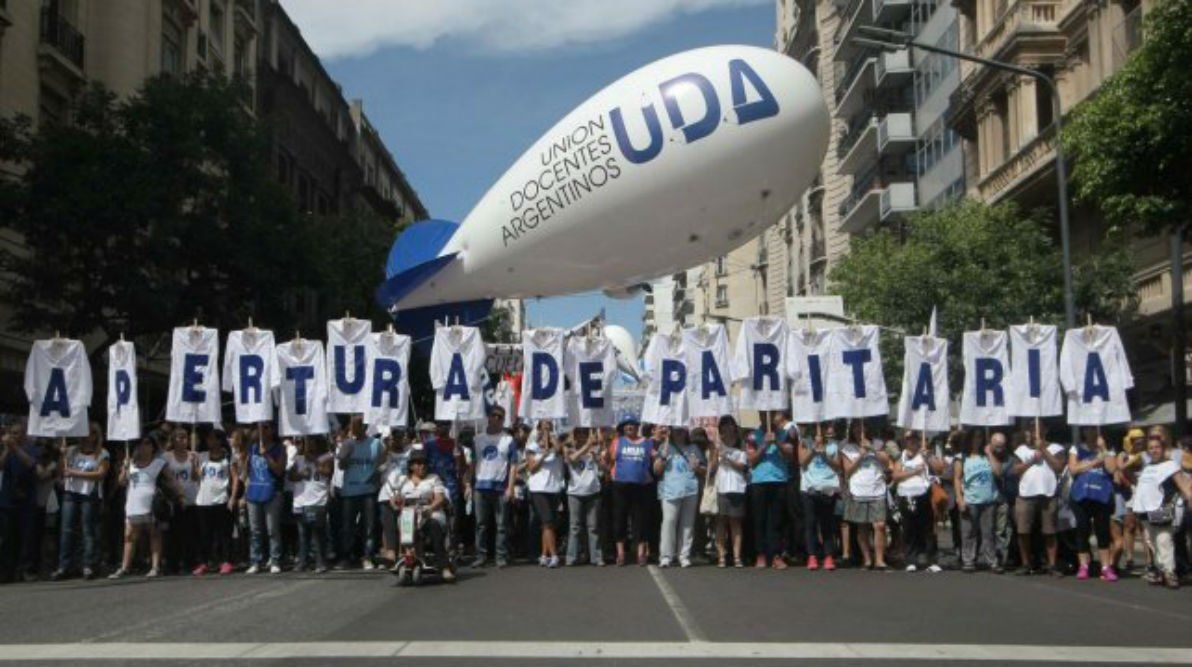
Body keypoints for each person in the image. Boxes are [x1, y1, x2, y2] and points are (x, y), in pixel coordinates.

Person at [109, 434, 185, 579]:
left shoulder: (158, 463)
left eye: (147, 443)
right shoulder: (130, 463)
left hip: (151, 504)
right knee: (129, 537)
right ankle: (124, 567)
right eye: (141, 444)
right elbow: (121, 483)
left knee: (154, 535)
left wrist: (180, 495)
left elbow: (171, 480)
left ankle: (155, 567)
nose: (143, 447)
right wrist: (124, 469)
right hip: (133, 503)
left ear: (153, 447)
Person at [1133, 426, 1192, 589]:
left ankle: (1170, 572)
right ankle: (1160, 569)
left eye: (1157, 447)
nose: (1154, 450)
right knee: (1151, 542)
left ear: (1163, 448)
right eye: (1151, 448)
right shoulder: (1147, 467)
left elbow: (1184, 486)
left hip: (1162, 508)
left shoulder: (1170, 465)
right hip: (1145, 511)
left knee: (1164, 540)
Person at [53, 422, 110, 580]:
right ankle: (64, 566)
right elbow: (60, 471)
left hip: (89, 494)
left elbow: (100, 474)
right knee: (67, 530)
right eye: (84, 432)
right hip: (71, 493)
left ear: (96, 436)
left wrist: (74, 472)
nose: (87, 436)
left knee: (87, 530)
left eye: (91, 433)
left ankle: (88, 565)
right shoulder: (71, 451)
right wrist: (61, 456)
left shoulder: (102, 454)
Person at [391, 449, 455, 582]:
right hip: (408, 515)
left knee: (433, 525)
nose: (422, 466)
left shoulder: (433, 479)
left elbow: (440, 498)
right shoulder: (403, 481)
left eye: (424, 463)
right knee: (397, 523)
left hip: (430, 513)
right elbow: (395, 499)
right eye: (418, 463)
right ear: (411, 466)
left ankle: (444, 567)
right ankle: (404, 557)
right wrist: (396, 503)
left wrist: (430, 509)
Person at [1013, 425, 1067, 576]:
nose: (1034, 432)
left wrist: (1043, 450)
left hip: (1048, 494)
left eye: (1038, 429)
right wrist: (1031, 460)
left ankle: (1052, 564)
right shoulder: (1021, 449)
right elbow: (1015, 470)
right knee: (1023, 531)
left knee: (1050, 531)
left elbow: (1059, 467)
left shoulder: (1056, 448)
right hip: (1026, 494)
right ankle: (1026, 563)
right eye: (1031, 429)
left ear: (1045, 430)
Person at [1068, 427, 1120, 581]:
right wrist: (1096, 461)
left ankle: (1105, 567)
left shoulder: (1108, 449)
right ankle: (1083, 566)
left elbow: (1111, 469)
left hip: (1101, 495)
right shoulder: (1076, 449)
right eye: (1088, 430)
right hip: (1081, 495)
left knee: (1102, 530)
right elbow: (1073, 469)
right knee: (1082, 529)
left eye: (1094, 430)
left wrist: (1103, 449)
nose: (1091, 433)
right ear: (1084, 432)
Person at [746, 412, 796, 569]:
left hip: (779, 480)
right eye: (763, 414)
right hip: (759, 481)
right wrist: (764, 445)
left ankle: (776, 555)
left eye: (772, 414)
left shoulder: (784, 434)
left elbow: (790, 455)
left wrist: (777, 443)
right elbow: (752, 461)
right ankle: (760, 554)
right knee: (759, 519)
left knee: (777, 521)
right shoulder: (753, 436)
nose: (768, 418)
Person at [469, 407, 517, 568]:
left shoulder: (508, 439)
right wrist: (469, 484)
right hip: (481, 485)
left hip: (500, 487)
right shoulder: (478, 439)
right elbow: (473, 463)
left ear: (503, 420)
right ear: (488, 418)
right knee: (481, 524)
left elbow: (514, 465)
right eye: (494, 415)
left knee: (502, 525)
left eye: (500, 417)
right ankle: (481, 555)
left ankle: (501, 556)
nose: (496, 419)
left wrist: (510, 487)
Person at [335, 416, 384, 570]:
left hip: (368, 490)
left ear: (363, 426)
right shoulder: (348, 443)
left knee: (369, 526)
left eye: (355, 425)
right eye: (351, 425)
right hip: (350, 490)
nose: (352, 428)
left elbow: (382, 464)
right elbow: (341, 466)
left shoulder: (376, 444)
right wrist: (345, 454)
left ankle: (367, 556)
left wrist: (375, 478)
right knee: (348, 526)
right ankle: (346, 557)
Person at [653, 426, 705, 568]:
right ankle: (666, 556)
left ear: (686, 432)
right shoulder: (664, 447)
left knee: (687, 524)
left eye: (682, 430)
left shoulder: (694, 448)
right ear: (671, 432)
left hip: (690, 490)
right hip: (669, 490)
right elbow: (656, 470)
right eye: (676, 430)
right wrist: (662, 458)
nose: (679, 433)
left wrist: (697, 467)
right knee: (669, 522)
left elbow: (704, 470)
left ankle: (684, 556)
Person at [841, 423, 891, 570]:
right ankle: (867, 559)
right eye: (856, 428)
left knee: (880, 525)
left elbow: (886, 462)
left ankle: (880, 559)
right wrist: (861, 456)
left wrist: (872, 449)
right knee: (862, 526)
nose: (859, 431)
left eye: (862, 428)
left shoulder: (878, 444)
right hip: (859, 490)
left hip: (877, 489)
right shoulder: (847, 448)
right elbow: (848, 471)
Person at [609, 419, 656, 566]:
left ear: (637, 427)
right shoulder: (617, 441)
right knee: (620, 519)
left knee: (640, 520)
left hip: (641, 486)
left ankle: (641, 552)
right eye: (627, 425)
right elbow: (610, 459)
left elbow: (656, 457)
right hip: (621, 485)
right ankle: (621, 553)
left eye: (633, 425)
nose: (630, 427)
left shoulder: (647, 442)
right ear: (623, 428)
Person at [955, 429, 1002, 573]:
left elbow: (998, 472)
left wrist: (989, 454)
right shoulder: (962, 457)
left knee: (989, 533)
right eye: (975, 437)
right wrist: (959, 498)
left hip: (988, 500)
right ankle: (968, 560)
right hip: (971, 499)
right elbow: (957, 478)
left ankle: (992, 561)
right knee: (969, 532)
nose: (977, 440)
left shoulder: (987, 455)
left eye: (980, 437)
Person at [891, 432, 939, 572]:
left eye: (914, 440)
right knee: (909, 528)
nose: (911, 443)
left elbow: (939, 469)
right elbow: (895, 476)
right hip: (906, 496)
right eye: (908, 440)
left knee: (927, 529)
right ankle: (910, 560)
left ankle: (931, 560)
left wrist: (928, 458)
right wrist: (913, 472)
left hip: (923, 495)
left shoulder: (924, 455)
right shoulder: (902, 457)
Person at [194, 429, 237, 576]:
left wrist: (232, 498)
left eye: (213, 438)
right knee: (205, 534)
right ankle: (204, 562)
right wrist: (194, 464)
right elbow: (196, 478)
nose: (209, 441)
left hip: (221, 499)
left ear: (220, 440)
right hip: (203, 500)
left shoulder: (229, 456)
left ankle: (226, 561)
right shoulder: (202, 456)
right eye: (208, 439)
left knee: (224, 533)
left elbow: (235, 478)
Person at [245, 423, 286, 574]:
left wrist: (266, 455)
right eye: (261, 427)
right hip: (254, 492)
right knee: (255, 530)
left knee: (272, 529)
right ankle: (255, 561)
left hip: (272, 493)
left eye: (267, 427)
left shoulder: (280, 448)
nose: (263, 430)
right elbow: (248, 470)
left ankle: (275, 560)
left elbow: (279, 470)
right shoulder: (252, 447)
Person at [799, 424, 841, 572]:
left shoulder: (833, 446)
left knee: (827, 524)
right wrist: (813, 450)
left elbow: (837, 466)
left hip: (828, 488)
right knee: (810, 523)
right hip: (809, 488)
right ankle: (812, 555)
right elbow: (802, 462)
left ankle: (828, 555)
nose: (821, 433)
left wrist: (824, 455)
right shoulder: (805, 442)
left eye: (823, 430)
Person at [525, 420, 566, 568]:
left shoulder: (557, 447)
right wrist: (542, 456)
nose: (546, 428)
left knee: (547, 525)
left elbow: (560, 449)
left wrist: (551, 438)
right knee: (548, 522)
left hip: (554, 488)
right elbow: (532, 468)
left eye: (549, 425)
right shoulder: (532, 447)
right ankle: (554, 555)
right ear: (538, 429)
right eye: (543, 426)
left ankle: (543, 555)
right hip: (538, 489)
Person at [710, 415, 748, 568]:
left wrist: (728, 458)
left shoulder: (741, 445)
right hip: (722, 488)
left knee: (735, 523)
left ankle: (737, 556)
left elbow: (742, 466)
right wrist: (716, 454)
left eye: (730, 424)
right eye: (724, 425)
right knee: (720, 522)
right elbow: (712, 469)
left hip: (737, 488)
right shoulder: (717, 446)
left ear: (734, 427)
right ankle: (721, 556)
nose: (727, 427)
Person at [291, 436, 333, 573]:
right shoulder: (298, 459)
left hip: (318, 500)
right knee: (303, 534)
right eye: (307, 442)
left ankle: (320, 562)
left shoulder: (327, 457)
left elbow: (328, 472)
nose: (309, 445)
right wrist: (301, 474)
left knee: (317, 533)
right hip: (301, 501)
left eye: (311, 442)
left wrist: (314, 461)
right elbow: (290, 476)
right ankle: (303, 561)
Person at [565, 427, 604, 566]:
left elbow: (604, 468)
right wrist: (587, 446)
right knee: (575, 527)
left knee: (593, 527)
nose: (582, 436)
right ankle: (571, 558)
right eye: (579, 434)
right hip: (575, 493)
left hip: (593, 492)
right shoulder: (568, 448)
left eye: (584, 434)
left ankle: (596, 558)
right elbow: (571, 459)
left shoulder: (595, 449)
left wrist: (597, 458)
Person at [426, 421, 466, 551]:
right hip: (433, 488)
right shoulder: (428, 445)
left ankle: (451, 549)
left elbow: (462, 469)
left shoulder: (456, 445)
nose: (443, 427)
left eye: (445, 424)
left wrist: (458, 458)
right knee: (434, 518)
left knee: (453, 521)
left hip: (452, 488)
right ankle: (434, 547)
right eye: (440, 424)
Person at [163, 428, 199, 575]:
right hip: (174, 499)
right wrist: (179, 495)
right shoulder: (167, 457)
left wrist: (194, 464)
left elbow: (196, 478)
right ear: (173, 440)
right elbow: (168, 478)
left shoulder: (193, 455)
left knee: (189, 533)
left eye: (185, 437)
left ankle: (189, 562)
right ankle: (172, 564)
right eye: (179, 437)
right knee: (173, 533)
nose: (183, 440)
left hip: (191, 498)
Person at [377, 431, 411, 567]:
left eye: (397, 437)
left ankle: (405, 551)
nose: (394, 441)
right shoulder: (386, 455)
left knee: (406, 523)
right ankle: (390, 552)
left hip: (406, 492)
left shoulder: (409, 452)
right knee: (388, 524)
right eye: (391, 438)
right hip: (387, 493)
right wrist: (386, 449)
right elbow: (379, 468)